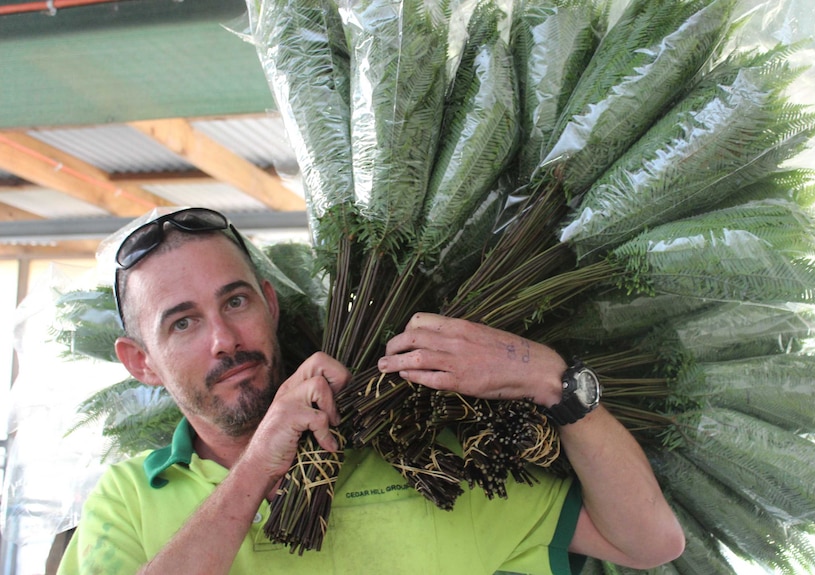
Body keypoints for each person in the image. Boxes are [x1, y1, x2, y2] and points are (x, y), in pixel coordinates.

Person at [58, 208, 684, 575]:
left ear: (270, 305)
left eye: (236, 300)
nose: (223, 339)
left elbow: (650, 542)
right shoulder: (126, 502)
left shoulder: (431, 455)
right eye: (183, 322)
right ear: (140, 362)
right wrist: (256, 470)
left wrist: (550, 378)